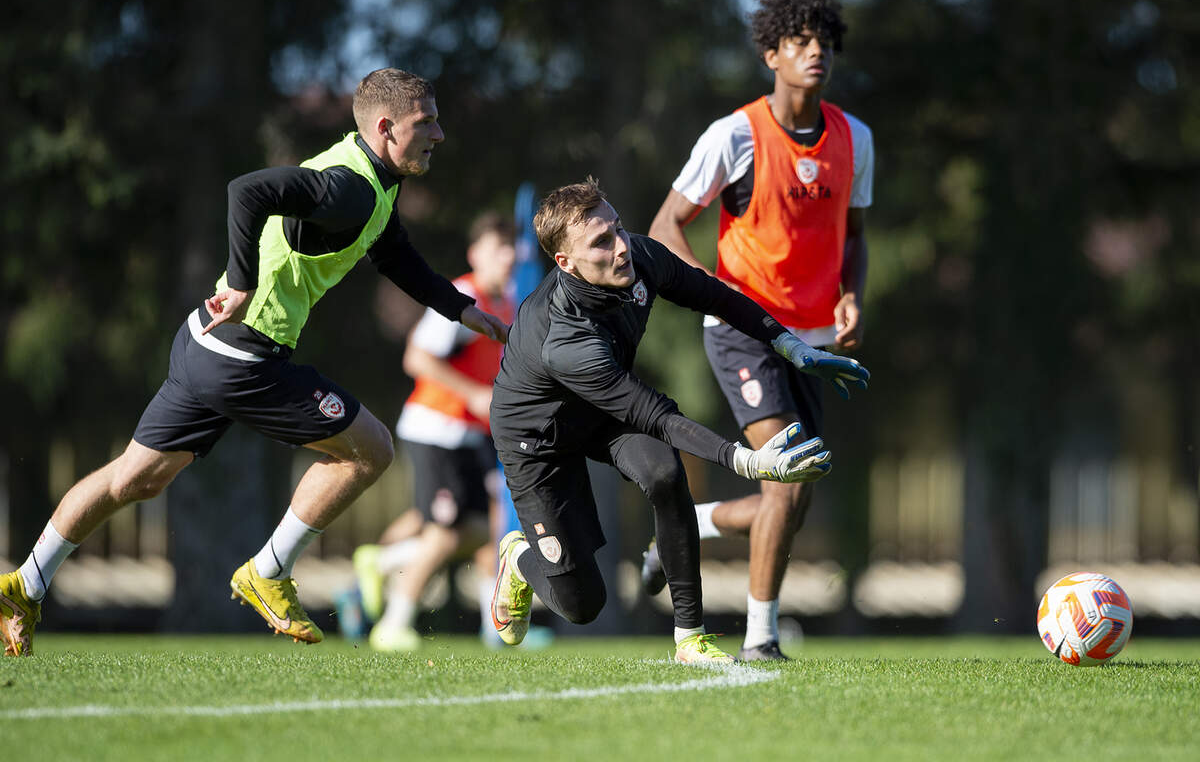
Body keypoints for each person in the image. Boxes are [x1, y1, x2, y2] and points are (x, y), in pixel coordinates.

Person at [0, 67, 509, 656]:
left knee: (133, 479)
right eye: (427, 122)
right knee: (370, 449)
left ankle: (24, 584)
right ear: (387, 127)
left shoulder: (376, 182)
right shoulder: (350, 185)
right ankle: (269, 570)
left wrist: (460, 309)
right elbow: (248, 190)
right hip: (244, 356)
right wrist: (241, 283)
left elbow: (394, 254)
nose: (440, 134)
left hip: (204, 343)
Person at [486, 178, 868, 664]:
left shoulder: (640, 257)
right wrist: (748, 463)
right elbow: (655, 414)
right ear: (566, 263)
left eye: (618, 229)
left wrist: (791, 346)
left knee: (666, 474)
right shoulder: (566, 343)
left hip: (603, 409)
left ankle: (690, 637)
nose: (621, 247)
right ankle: (518, 558)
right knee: (583, 605)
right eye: (601, 242)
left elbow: (717, 296)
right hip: (536, 439)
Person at [643, 0, 874, 660]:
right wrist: (717, 296)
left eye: (824, 43)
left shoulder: (855, 139)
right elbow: (664, 227)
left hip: (815, 340)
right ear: (772, 53)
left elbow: (854, 237)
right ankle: (760, 640)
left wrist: (851, 296)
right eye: (801, 42)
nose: (816, 53)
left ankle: (682, 527)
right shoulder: (734, 135)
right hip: (743, 329)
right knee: (783, 475)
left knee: (792, 496)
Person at [353, 212, 517, 652]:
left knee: (487, 532)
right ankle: (393, 624)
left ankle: (494, 632)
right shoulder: (464, 297)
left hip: (471, 434)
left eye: (510, 248)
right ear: (475, 254)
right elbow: (417, 359)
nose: (507, 256)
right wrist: (473, 395)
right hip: (436, 429)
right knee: (443, 533)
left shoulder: (509, 302)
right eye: (496, 247)